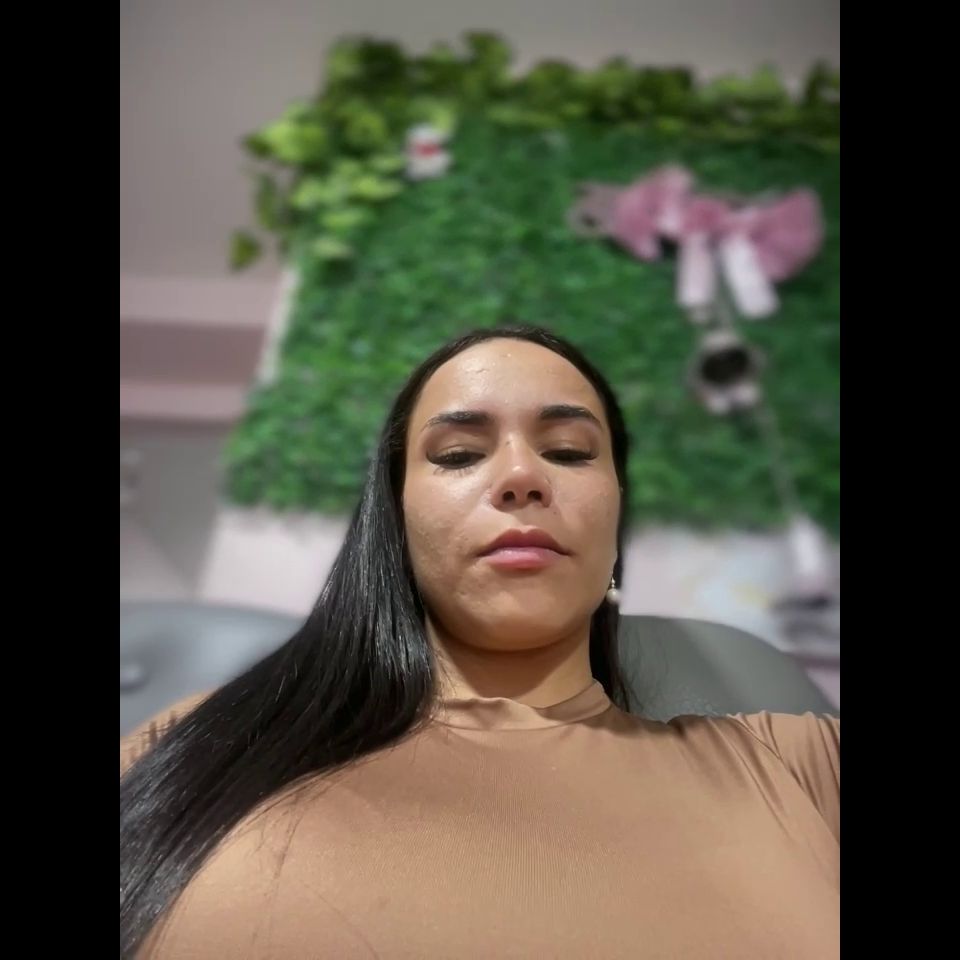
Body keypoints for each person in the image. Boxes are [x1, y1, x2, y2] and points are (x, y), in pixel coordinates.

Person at [120, 326, 839, 959]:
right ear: (395, 519)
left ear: (616, 519)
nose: (522, 476)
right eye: (460, 454)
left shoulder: (800, 766)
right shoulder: (187, 749)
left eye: (569, 451)